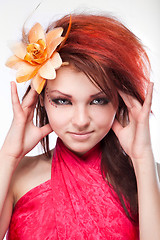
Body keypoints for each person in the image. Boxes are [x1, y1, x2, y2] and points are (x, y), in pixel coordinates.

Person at [0, 13, 160, 240]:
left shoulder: (150, 177)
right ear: (42, 100)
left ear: (121, 100)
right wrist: (8, 155)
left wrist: (142, 158)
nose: (81, 120)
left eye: (98, 100)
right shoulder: (15, 175)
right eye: (63, 101)